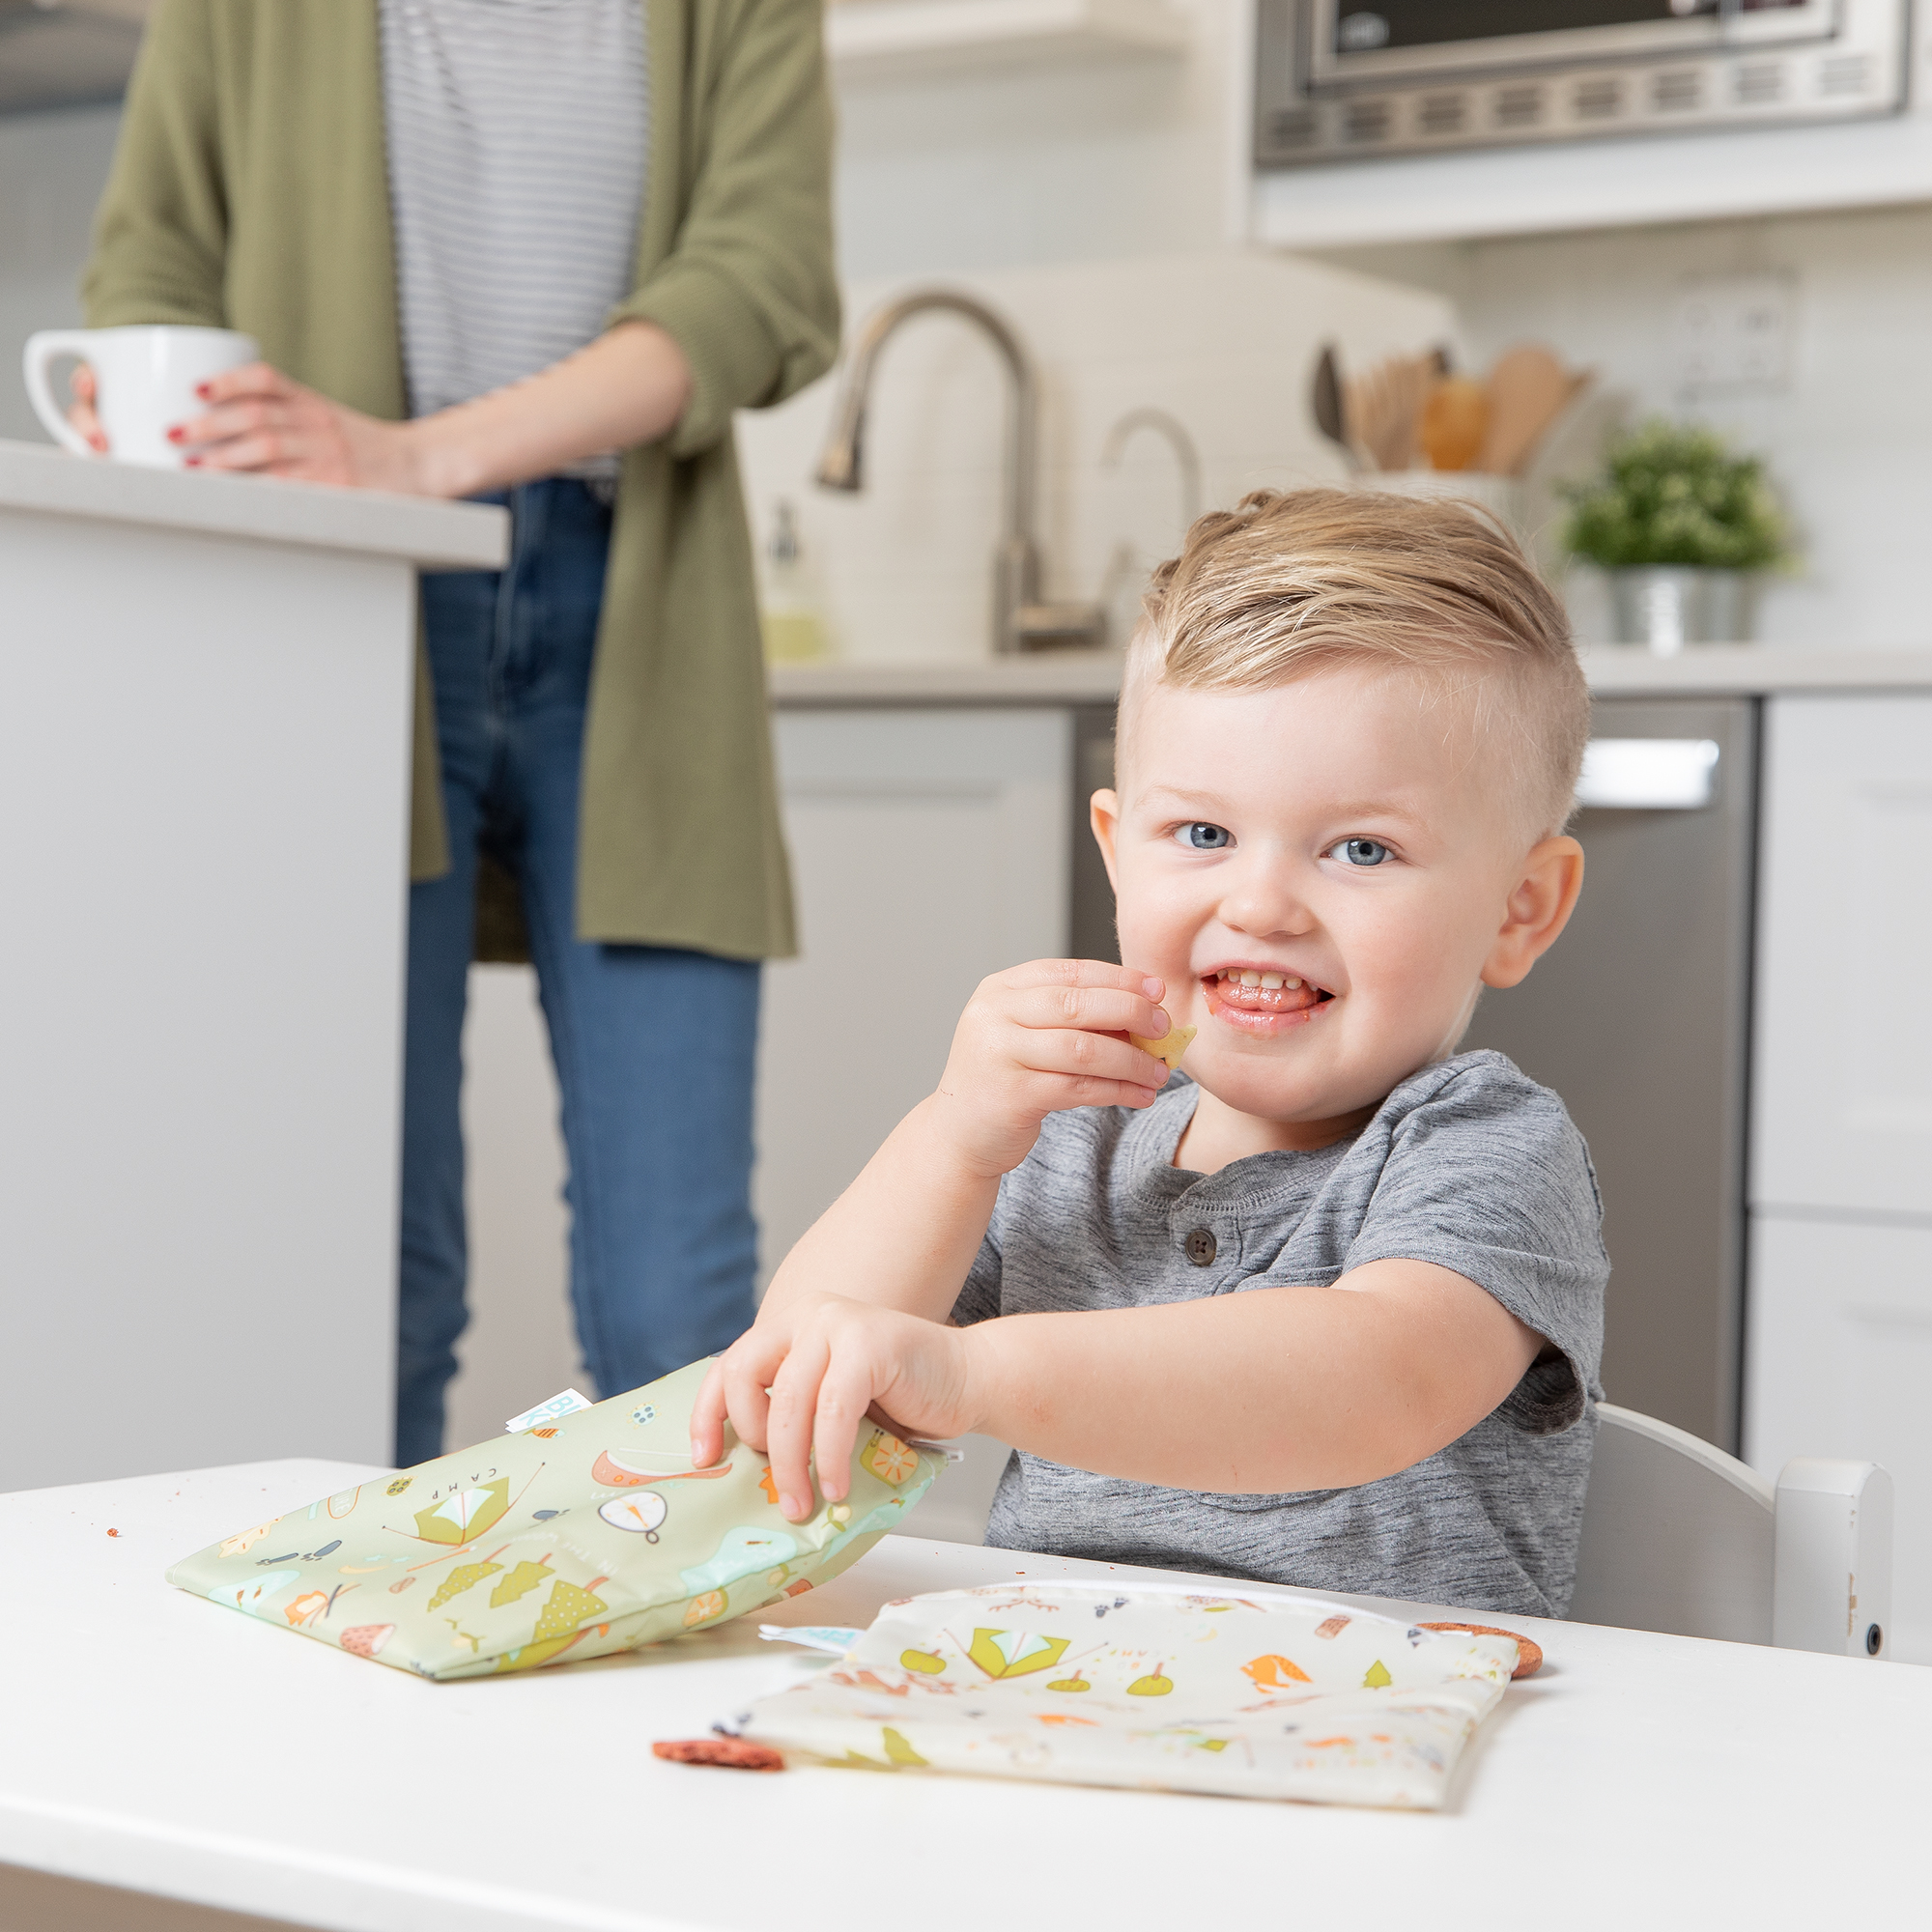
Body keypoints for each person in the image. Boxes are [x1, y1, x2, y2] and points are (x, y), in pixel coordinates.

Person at [78, 0, 839, 1464]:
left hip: (639, 604)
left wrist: (418, 457)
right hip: (343, 601)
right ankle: (342, 1651)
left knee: (674, 1299)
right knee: (368, 1269)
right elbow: (149, 263)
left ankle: (672, 1659)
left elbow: (765, 277)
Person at [693, 488, 1607, 1618]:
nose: (1261, 901)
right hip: (1049, 1705)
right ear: (1118, 854)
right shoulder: (1072, 1138)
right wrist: (953, 1137)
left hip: (1374, 1747)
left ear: (1520, 908)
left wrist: (975, 1375)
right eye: (1204, 834)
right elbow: (800, 1372)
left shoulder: (1483, 1144)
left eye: (1360, 848)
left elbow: (1376, 1378)